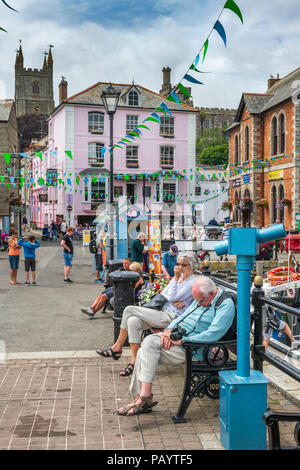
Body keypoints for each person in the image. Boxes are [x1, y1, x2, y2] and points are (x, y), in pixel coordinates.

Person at [116, 276, 235, 416]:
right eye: (196, 300)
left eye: (201, 301)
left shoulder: (224, 304)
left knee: (148, 343)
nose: (198, 303)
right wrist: (168, 331)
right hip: (180, 342)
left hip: (194, 348)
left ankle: (143, 398)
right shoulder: (202, 298)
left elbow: (214, 333)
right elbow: (182, 316)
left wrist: (185, 341)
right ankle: (142, 398)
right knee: (144, 351)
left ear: (211, 293)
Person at [96, 251, 198, 378]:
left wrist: (175, 281)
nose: (180, 267)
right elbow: (165, 293)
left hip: (172, 318)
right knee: (133, 321)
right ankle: (134, 361)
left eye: (184, 265)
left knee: (128, 309)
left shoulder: (191, 283)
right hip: (162, 312)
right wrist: (173, 295)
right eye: (178, 264)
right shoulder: (181, 279)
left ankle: (117, 347)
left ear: (192, 266)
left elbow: (170, 296)